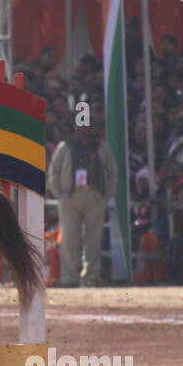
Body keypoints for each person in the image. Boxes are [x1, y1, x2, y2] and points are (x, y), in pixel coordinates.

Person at [48, 117, 117, 287]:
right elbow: (53, 172)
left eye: (88, 126)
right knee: (69, 238)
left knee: (93, 238)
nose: (85, 130)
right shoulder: (65, 148)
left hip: (94, 195)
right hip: (70, 196)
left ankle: (91, 277)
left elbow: (112, 173)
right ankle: (69, 279)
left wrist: (105, 195)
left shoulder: (101, 148)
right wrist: (60, 194)